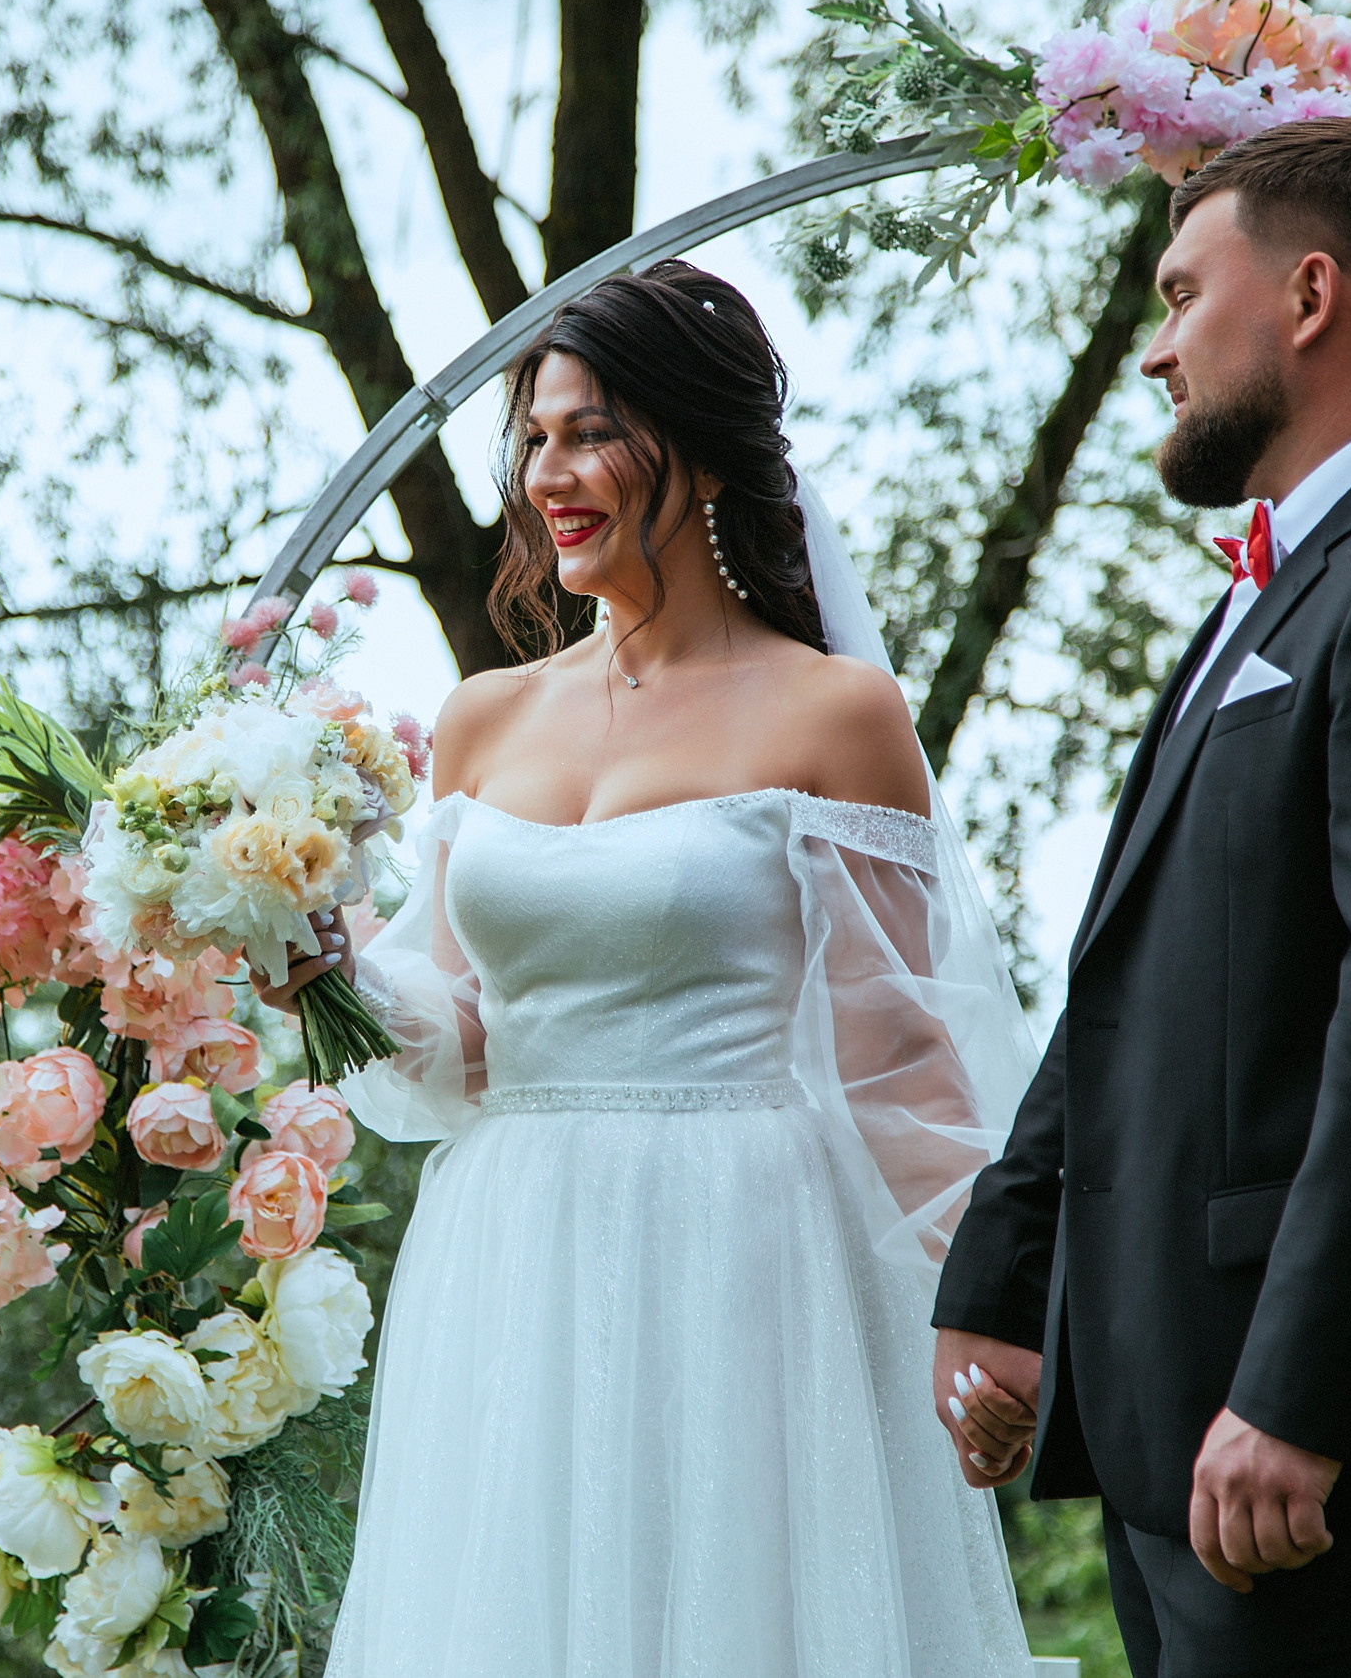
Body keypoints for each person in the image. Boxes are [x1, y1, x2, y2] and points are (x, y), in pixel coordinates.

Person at [260, 259, 1040, 1677]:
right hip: (512, 1253)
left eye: (592, 433)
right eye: (536, 438)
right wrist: (329, 971)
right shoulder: (484, 718)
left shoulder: (835, 713)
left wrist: (1004, 1306)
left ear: (704, 448)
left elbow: (901, 1061)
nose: (549, 474)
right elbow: (466, 1037)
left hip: (747, 1253)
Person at [930, 117, 1351, 1676]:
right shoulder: (1282, 583)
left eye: (1181, 295)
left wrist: (1298, 1393)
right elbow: (1134, 972)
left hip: (1313, 1441)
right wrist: (1010, 1267)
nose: (1159, 353)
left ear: (1309, 297)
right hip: (1176, 1400)